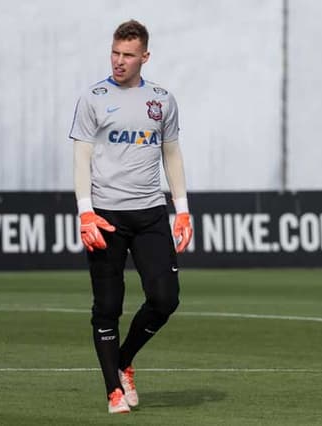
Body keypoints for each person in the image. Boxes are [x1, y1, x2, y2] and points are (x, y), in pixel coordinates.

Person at [69, 19, 193, 414]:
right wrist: (85, 211)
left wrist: (183, 209)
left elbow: (171, 153)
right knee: (107, 307)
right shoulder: (93, 97)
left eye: (128, 55)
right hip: (106, 215)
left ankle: (124, 361)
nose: (119, 61)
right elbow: (82, 157)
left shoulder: (162, 99)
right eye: (115, 53)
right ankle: (113, 391)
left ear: (144, 56)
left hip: (150, 213)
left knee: (165, 299)